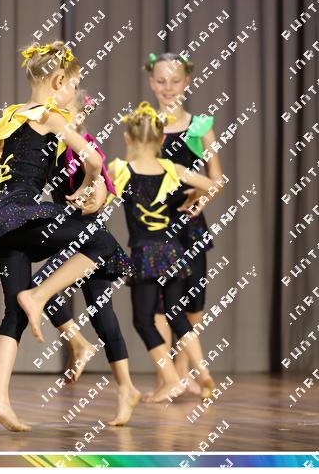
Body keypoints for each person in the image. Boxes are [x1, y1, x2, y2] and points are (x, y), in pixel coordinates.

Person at [0, 41, 118, 431]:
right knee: (103, 243)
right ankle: (39, 295)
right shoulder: (50, 115)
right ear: (59, 80)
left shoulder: (10, 116)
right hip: (25, 212)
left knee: (13, 312)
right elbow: (93, 158)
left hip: (2, 220)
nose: (74, 93)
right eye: (74, 85)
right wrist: (88, 185)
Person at [30, 89, 140, 425]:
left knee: (44, 288)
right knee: (102, 316)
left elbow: (102, 181)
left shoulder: (85, 146)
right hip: (77, 237)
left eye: (62, 113)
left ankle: (87, 352)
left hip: (89, 239)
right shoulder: (56, 147)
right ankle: (124, 385)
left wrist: (97, 193)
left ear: (78, 117)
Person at [107, 101, 218, 402]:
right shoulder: (173, 169)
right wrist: (196, 195)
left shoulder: (120, 170)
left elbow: (98, 197)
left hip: (145, 254)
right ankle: (203, 372)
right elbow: (213, 184)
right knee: (177, 315)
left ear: (128, 138)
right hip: (174, 252)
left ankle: (171, 379)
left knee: (143, 320)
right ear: (161, 139)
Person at [145, 52, 225, 395]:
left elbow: (217, 178)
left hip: (189, 225)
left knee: (193, 304)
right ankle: (168, 379)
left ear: (187, 82)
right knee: (159, 305)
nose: (168, 87)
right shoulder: (145, 125)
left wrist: (200, 197)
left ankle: (183, 371)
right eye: (161, 81)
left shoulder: (200, 126)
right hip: (155, 225)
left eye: (175, 81)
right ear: (152, 83)